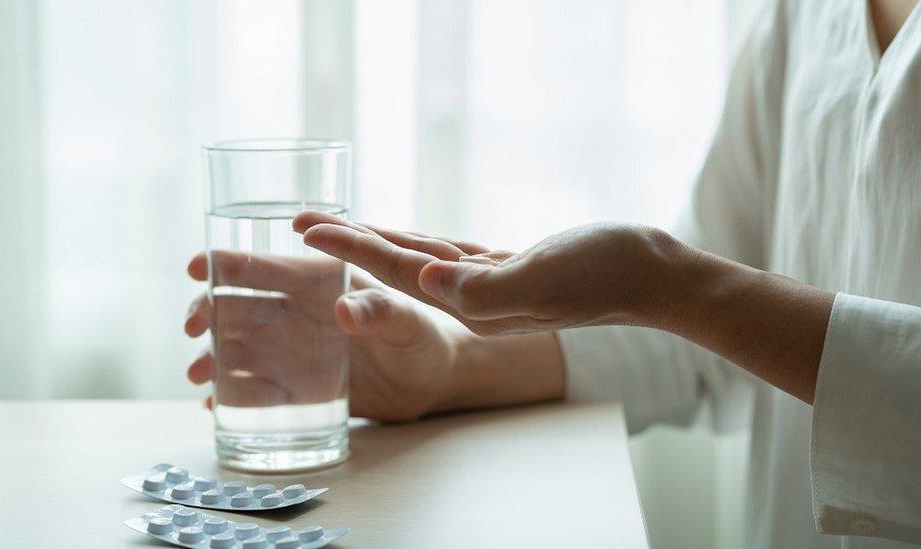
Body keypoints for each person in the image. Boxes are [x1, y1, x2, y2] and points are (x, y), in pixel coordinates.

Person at [184, 0, 921, 546]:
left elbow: (702, 296)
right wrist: (447, 367)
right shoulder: (798, 17)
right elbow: (704, 337)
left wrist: (666, 282)